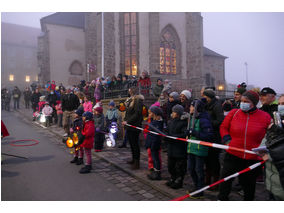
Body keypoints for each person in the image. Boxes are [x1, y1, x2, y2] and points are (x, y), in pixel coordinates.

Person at [218, 90, 271, 201]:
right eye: (242, 100)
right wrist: (227, 140)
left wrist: (264, 148)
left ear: (254, 103)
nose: (243, 103)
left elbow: (270, 134)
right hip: (232, 154)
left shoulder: (265, 116)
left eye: (246, 101)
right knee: (225, 181)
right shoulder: (234, 113)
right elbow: (223, 127)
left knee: (249, 186)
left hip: (252, 157)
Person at [258, 94, 284, 200]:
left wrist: (270, 156)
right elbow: (265, 140)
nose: (280, 106)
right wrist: (261, 150)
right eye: (279, 104)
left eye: (283, 104)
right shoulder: (275, 123)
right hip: (271, 182)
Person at [186, 99, 213, 198]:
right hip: (191, 148)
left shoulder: (204, 120)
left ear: (197, 108)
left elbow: (208, 135)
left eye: (192, 106)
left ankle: (200, 190)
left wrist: (196, 133)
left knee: (199, 170)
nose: (190, 108)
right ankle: (196, 186)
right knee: (191, 169)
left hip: (199, 150)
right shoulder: (192, 118)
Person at [202, 89, 224, 188]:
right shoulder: (206, 105)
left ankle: (215, 181)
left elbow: (220, 120)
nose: (204, 98)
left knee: (214, 160)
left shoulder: (217, 106)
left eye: (205, 96)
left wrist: (209, 124)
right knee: (207, 159)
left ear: (209, 97)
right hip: (207, 135)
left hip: (214, 136)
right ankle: (207, 178)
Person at [165, 104, 188, 189]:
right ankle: (173, 178)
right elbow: (167, 130)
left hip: (179, 149)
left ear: (178, 113)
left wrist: (174, 137)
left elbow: (184, 134)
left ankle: (179, 180)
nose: (172, 113)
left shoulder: (183, 122)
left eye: (174, 112)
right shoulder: (171, 121)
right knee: (170, 166)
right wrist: (166, 136)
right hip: (171, 148)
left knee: (180, 167)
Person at [122, 87, 144, 170]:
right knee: (131, 143)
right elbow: (128, 113)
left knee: (135, 145)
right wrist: (125, 120)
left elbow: (137, 114)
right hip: (130, 126)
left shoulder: (138, 100)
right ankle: (133, 159)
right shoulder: (130, 100)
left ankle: (137, 162)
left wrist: (128, 121)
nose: (129, 92)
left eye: (130, 90)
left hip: (135, 125)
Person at [145, 105, 164, 180]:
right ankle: (155, 171)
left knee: (156, 159)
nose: (149, 115)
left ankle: (157, 173)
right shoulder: (153, 122)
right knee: (153, 158)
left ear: (154, 114)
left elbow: (156, 136)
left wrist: (152, 144)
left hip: (155, 145)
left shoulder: (158, 123)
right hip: (151, 144)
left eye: (150, 113)